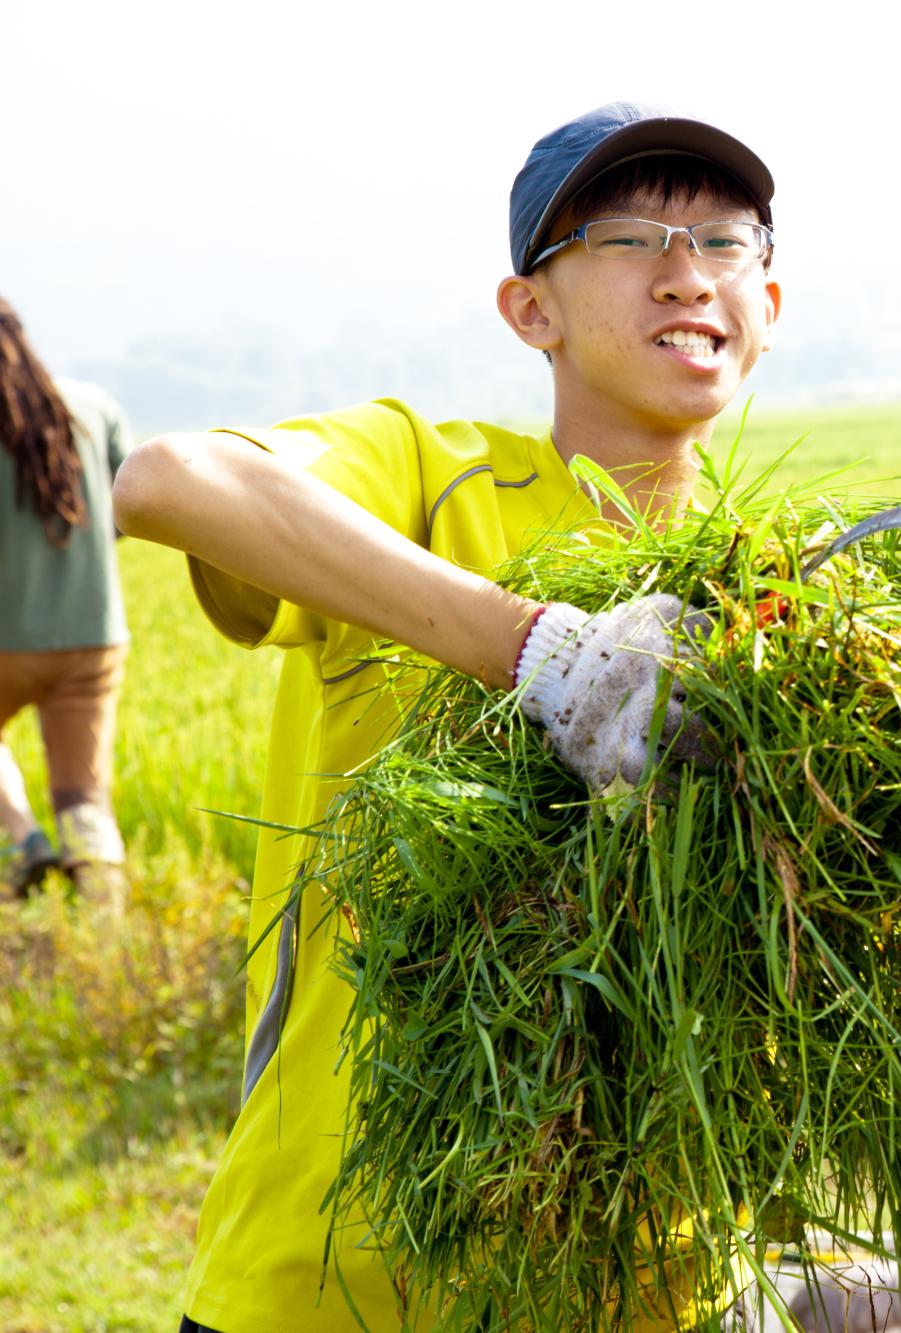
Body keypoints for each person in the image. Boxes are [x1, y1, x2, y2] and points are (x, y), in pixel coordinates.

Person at [112, 103, 782, 1332]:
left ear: (769, 306)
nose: (686, 270)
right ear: (531, 309)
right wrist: (537, 650)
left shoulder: (792, 597)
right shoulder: (428, 476)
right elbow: (168, 479)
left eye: (725, 240)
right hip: (334, 1275)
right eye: (629, 236)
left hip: (653, 1288)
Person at [0, 297, 134, 902]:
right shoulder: (93, 406)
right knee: (84, 796)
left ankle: (23, 839)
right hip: (91, 636)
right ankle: (107, 940)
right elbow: (129, 512)